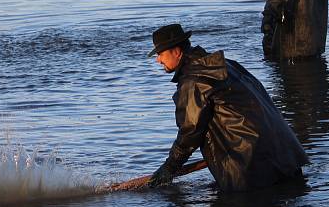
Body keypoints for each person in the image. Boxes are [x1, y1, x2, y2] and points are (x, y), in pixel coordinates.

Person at [118, 23, 308, 192]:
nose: (158, 60)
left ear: (176, 51)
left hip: (252, 169)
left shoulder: (193, 81)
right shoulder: (225, 65)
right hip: (285, 157)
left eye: (160, 53)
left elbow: (190, 132)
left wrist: (169, 167)